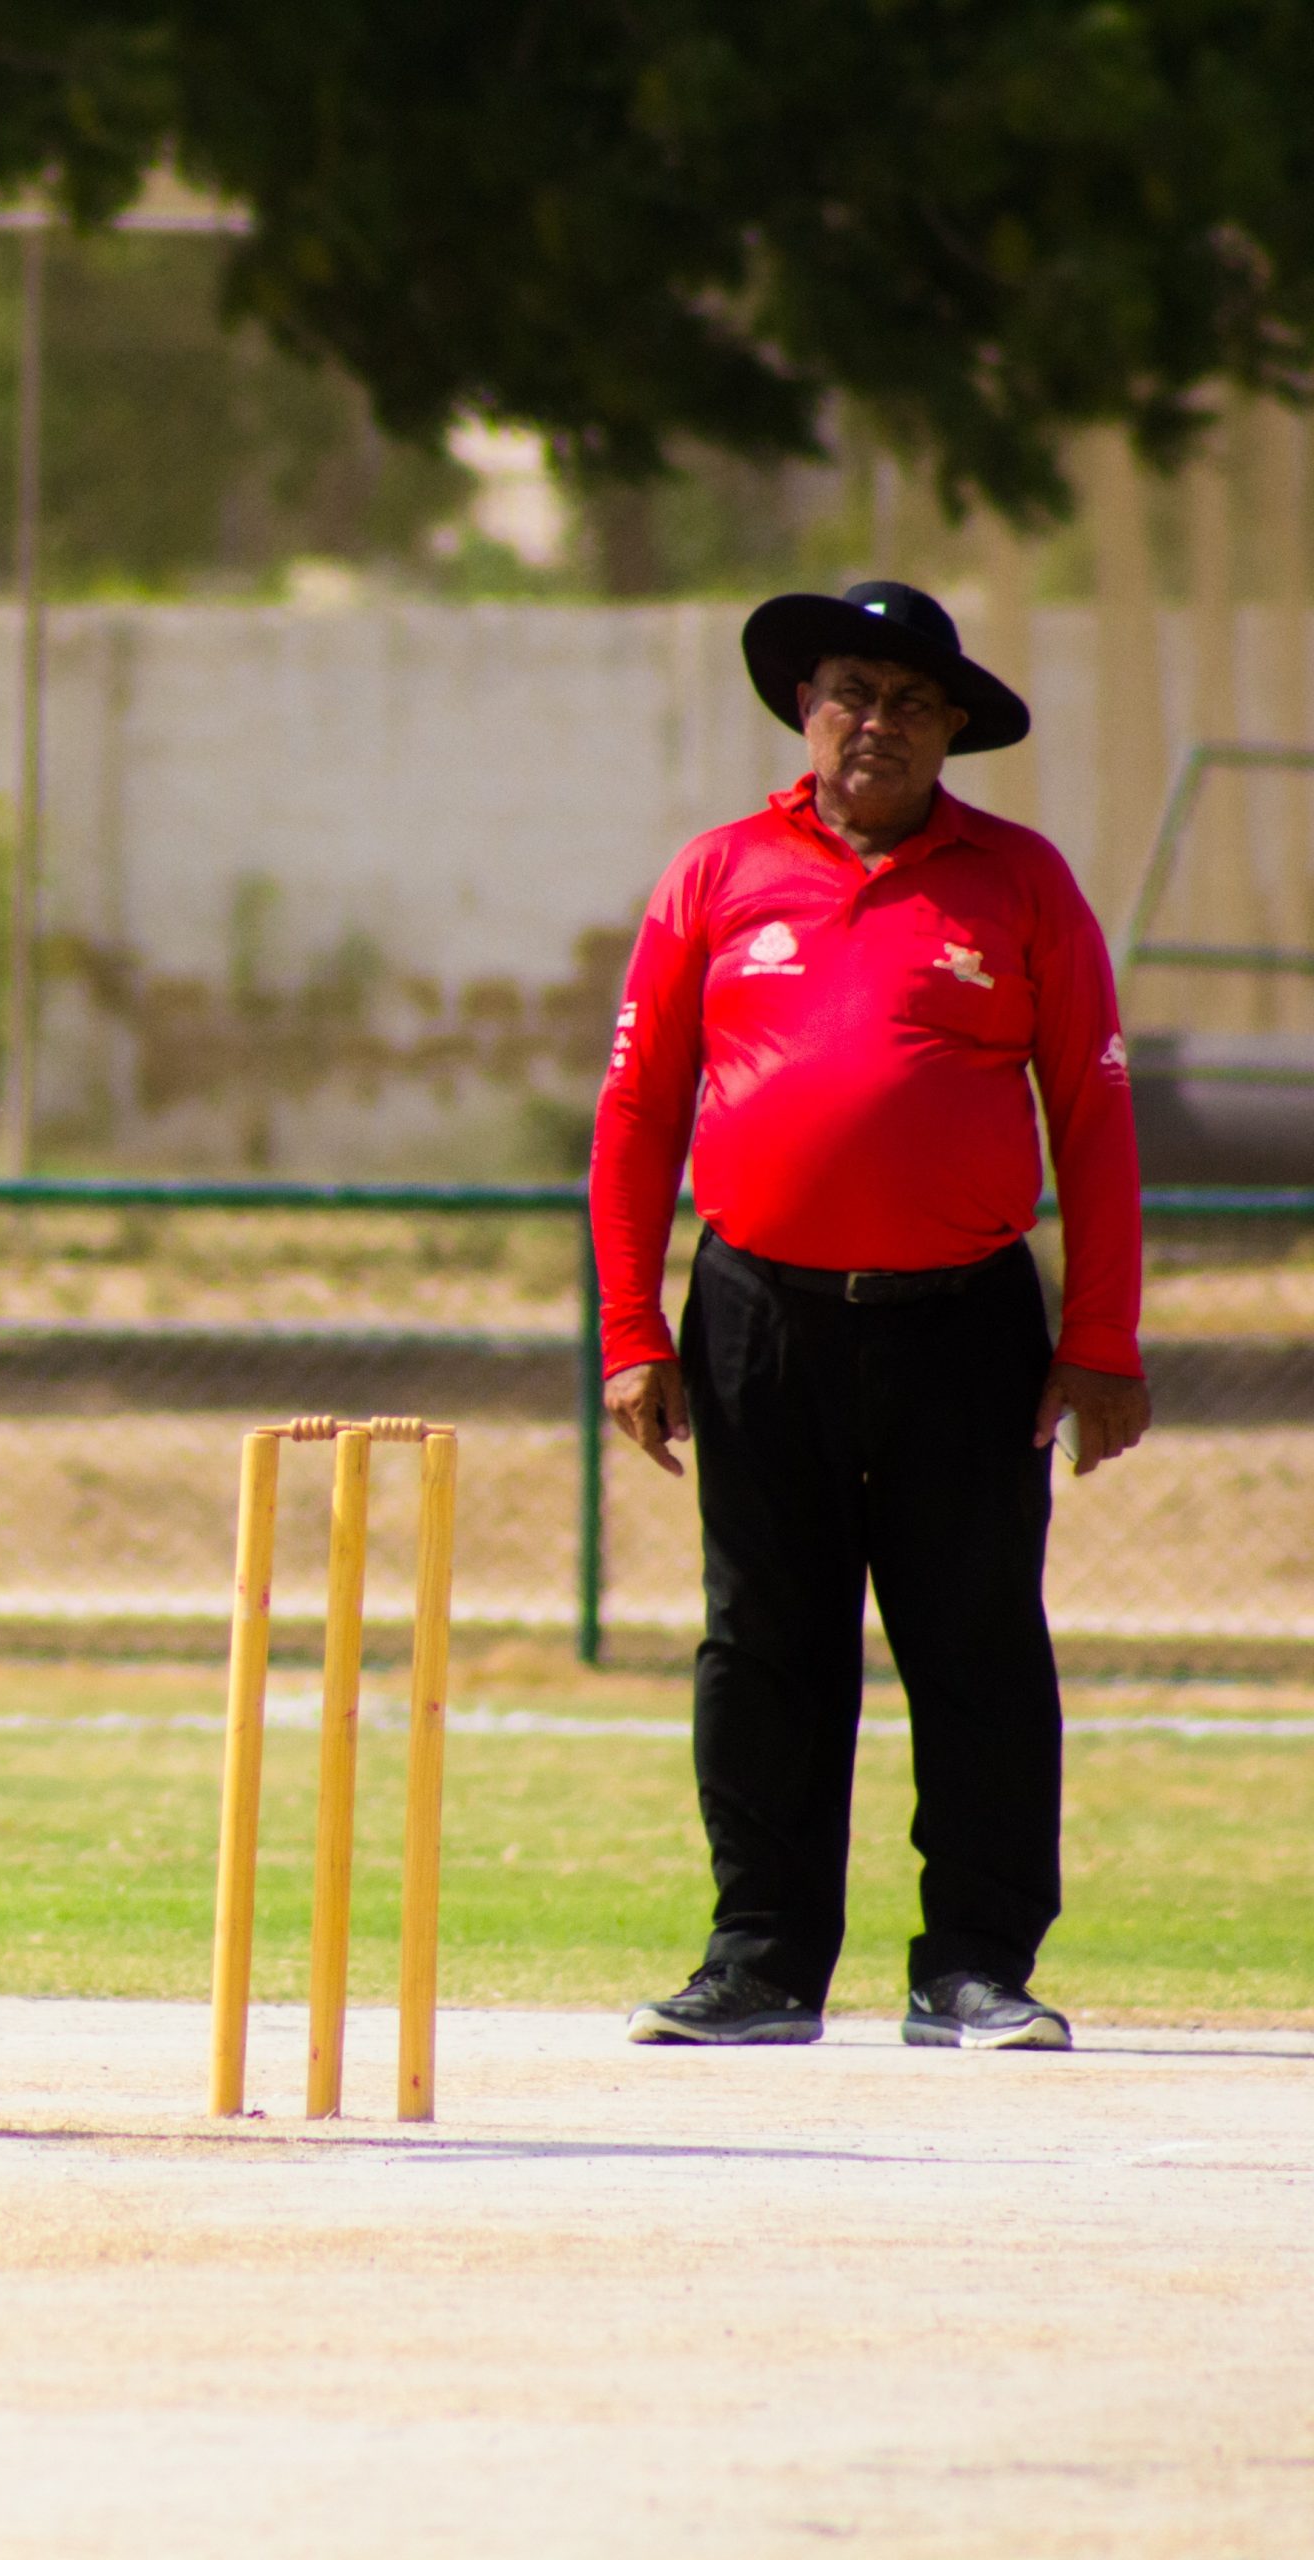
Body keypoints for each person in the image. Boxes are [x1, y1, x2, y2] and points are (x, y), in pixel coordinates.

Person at [592, 579, 1150, 2053]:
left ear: (952, 728)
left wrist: (1101, 1339)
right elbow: (637, 1111)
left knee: (976, 1642)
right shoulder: (717, 873)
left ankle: (974, 1966)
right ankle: (762, 1963)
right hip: (756, 1312)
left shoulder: (1021, 881)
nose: (876, 723)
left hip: (964, 1323)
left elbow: (1092, 1115)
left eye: (911, 702)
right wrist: (632, 1332)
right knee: (762, 1642)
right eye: (851, 691)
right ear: (805, 705)